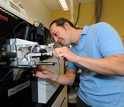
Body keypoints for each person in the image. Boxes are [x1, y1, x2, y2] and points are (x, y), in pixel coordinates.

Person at [33, 18, 124, 107]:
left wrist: (76, 58)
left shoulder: (100, 29)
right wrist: (50, 75)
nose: (56, 40)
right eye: (54, 38)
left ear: (66, 25)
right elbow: (70, 79)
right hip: (83, 100)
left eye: (56, 34)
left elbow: (121, 67)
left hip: (110, 103)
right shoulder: (72, 50)